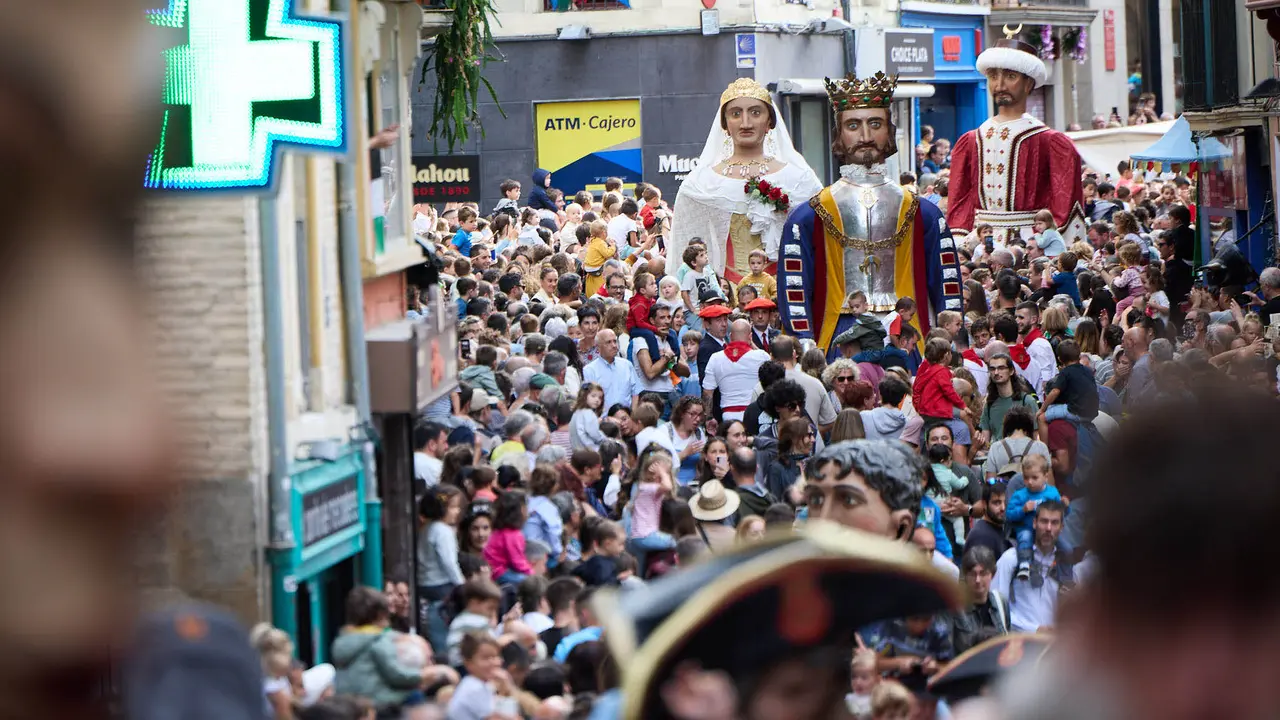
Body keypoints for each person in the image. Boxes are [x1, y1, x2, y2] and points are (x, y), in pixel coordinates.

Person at [778, 71, 963, 353]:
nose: (865, 136)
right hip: (840, 332)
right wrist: (802, 341)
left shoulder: (924, 213)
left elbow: (946, 283)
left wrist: (953, 342)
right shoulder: (809, 216)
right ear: (839, 133)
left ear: (889, 130)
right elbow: (795, 288)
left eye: (874, 123)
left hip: (906, 333)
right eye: (853, 125)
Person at [669, 77, 823, 283]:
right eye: (735, 114)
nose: (746, 123)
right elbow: (685, 248)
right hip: (725, 295)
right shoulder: (701, 184)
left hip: (788, 290)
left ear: (770, 121)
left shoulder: (798, 178)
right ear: (725, 124)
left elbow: (820, 243)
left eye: (755, 113)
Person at [947, 26, 1087, 246]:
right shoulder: (970, 141)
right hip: (979, 245)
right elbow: (959, 202)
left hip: (1031, 246)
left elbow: (1065, 204)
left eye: (1010, 76)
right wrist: (960, 245)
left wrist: (1053, 249)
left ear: (1029, 83)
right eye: (993, 76)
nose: (999, 85)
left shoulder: (1050, 141)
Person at [333, 587, 456, 713]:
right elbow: (396, 675)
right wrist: (427, 674)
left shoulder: (344, 640)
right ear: (379, 616)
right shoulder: (378, 641)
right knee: (415, 696)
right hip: (377, 704)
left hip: (348, 703)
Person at [993, 496, 1068, 632]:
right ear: (1034, 523)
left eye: (1054, 523)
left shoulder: (1065, 566)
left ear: (1061, 527)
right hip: (1019, 646)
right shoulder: (1012, 558)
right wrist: (1033, 629)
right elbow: (996, 608)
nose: (1048, 528)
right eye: (1044, 522)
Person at [418, 486, 467, 653]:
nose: (457, 511)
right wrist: (461, 584)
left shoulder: (427, 528)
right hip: (441, 585)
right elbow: (449, 562)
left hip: (425, 583)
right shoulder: (443, 531)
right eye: (452, 507)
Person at [1005, 454, 1063, 581]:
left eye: (1034, 477)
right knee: (1025, 538)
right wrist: (1023, 510)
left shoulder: (1052, 493)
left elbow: (1060, 512)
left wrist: (1064, 507)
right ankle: (1024, 565)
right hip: (1026, 527)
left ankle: (1064, 572)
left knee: (1065, 545)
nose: (1030, 482)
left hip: (1048, 529)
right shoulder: (1020, 495)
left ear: (1046, 477)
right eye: (1026, 478)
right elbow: (1009, 514)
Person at [702, 318, 770, 422]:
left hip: (728, 415)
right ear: (750, 337)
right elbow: (773, 369)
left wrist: (709, 418)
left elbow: (707, 393)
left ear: (730, 336)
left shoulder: (715, 358)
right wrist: (751, 343)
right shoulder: (761, 356)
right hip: (755, 414)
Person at [448, 634, 520, 720]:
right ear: (468, 663)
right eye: (486, 658)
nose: (494, 662)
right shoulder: (474, 688)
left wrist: (505, 689)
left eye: (496, 656)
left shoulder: (483, 685)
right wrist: (505, 690)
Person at [1038, 340, 1099, 427]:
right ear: (1079, 356)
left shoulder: (1065, 372)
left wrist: (1042, 409)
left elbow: (1055, 392)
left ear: (1059, 359)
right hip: (1092, 413)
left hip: (1076, 412)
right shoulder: (1087, 370)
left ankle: (1043, 441)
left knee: (1041, 419)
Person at [483, 490, 533, 585]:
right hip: (499, 573)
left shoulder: (499, 531)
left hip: (495, 570)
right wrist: (532, 574)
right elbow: (518, 562)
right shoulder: (513, 535)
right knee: (530, 583)